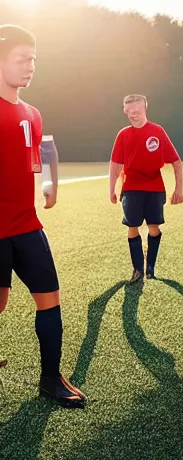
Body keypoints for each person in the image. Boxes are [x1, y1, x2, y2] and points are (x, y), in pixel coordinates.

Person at [0, 24, 86, 407]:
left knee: (50, 300)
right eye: (21, 59)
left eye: (33, 59)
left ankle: (51, 380)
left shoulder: (33, 114)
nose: (30, 66)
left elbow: (42, 153)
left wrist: (52, 184)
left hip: (27, 224)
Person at [109, 94, 183, 283]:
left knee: (153, 228)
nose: (135, 114)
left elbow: (176, 161)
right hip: (132, 187)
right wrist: (111, 189)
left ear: (145, 109)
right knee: (132, 226)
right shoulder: (123, 135)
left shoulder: (157, 131)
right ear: (125, 111)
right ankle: (137, 270)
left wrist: (179, 190)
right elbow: (115, 164)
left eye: (138, 110)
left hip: (155, 187)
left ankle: (150, 266)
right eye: (130, 111)